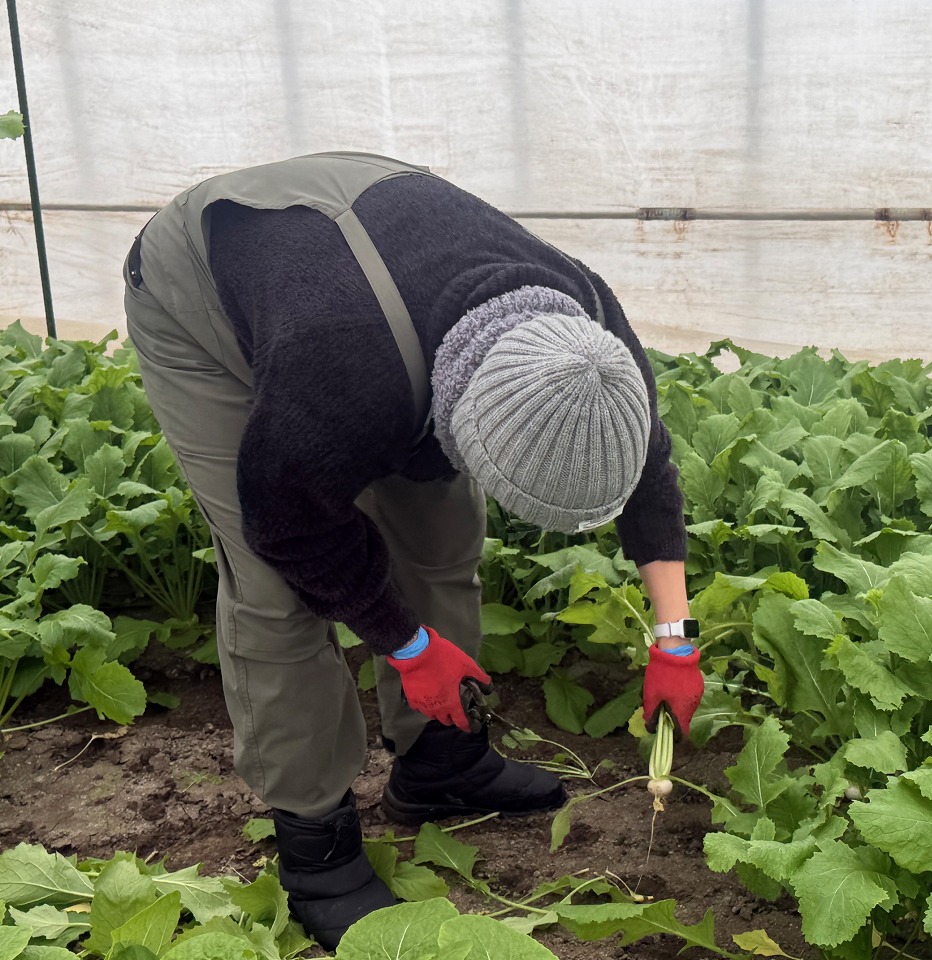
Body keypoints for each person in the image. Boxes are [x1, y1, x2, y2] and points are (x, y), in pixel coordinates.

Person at [121, 151, 705, 949]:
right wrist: (403, 642)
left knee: (441, 535)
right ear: (461, 416)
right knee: (277, 593)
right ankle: (315, 843)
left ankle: (440, 766)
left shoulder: (590, 336)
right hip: (207, 291)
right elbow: (289, 524)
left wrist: (674, 640)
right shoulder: (340, 361)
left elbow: (650, 474)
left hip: (377, 275)